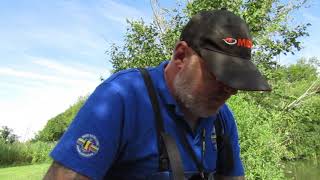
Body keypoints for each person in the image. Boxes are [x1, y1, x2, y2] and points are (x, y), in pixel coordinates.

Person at [44, 9, 271, 180]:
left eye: (235, 81)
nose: (229, 90)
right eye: (218, 76)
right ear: (181, 56)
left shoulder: (222, 119)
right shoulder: (121, 98)